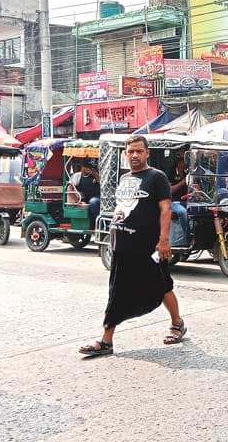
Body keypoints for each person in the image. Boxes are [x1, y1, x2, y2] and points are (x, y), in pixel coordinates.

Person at [78, 135, 186, 357]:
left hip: (148, 245)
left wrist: (164, 240)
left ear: (147, 153)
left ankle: (177, 323)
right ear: (125, 154)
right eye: (130, 151)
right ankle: (107, 340)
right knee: (116, 291)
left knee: (163, 285)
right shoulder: (124, 178)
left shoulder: (157, 177)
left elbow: (166, 210)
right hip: (122, 244)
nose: (134, 155)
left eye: (139, 151)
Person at [168, 156, 190, 247]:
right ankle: (187, 237)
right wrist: (182, 183)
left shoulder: (188, 172)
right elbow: (169, 190)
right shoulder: (171, 172)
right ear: (179, 162)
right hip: (174, 201)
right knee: (182, 212)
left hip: (188, 200)